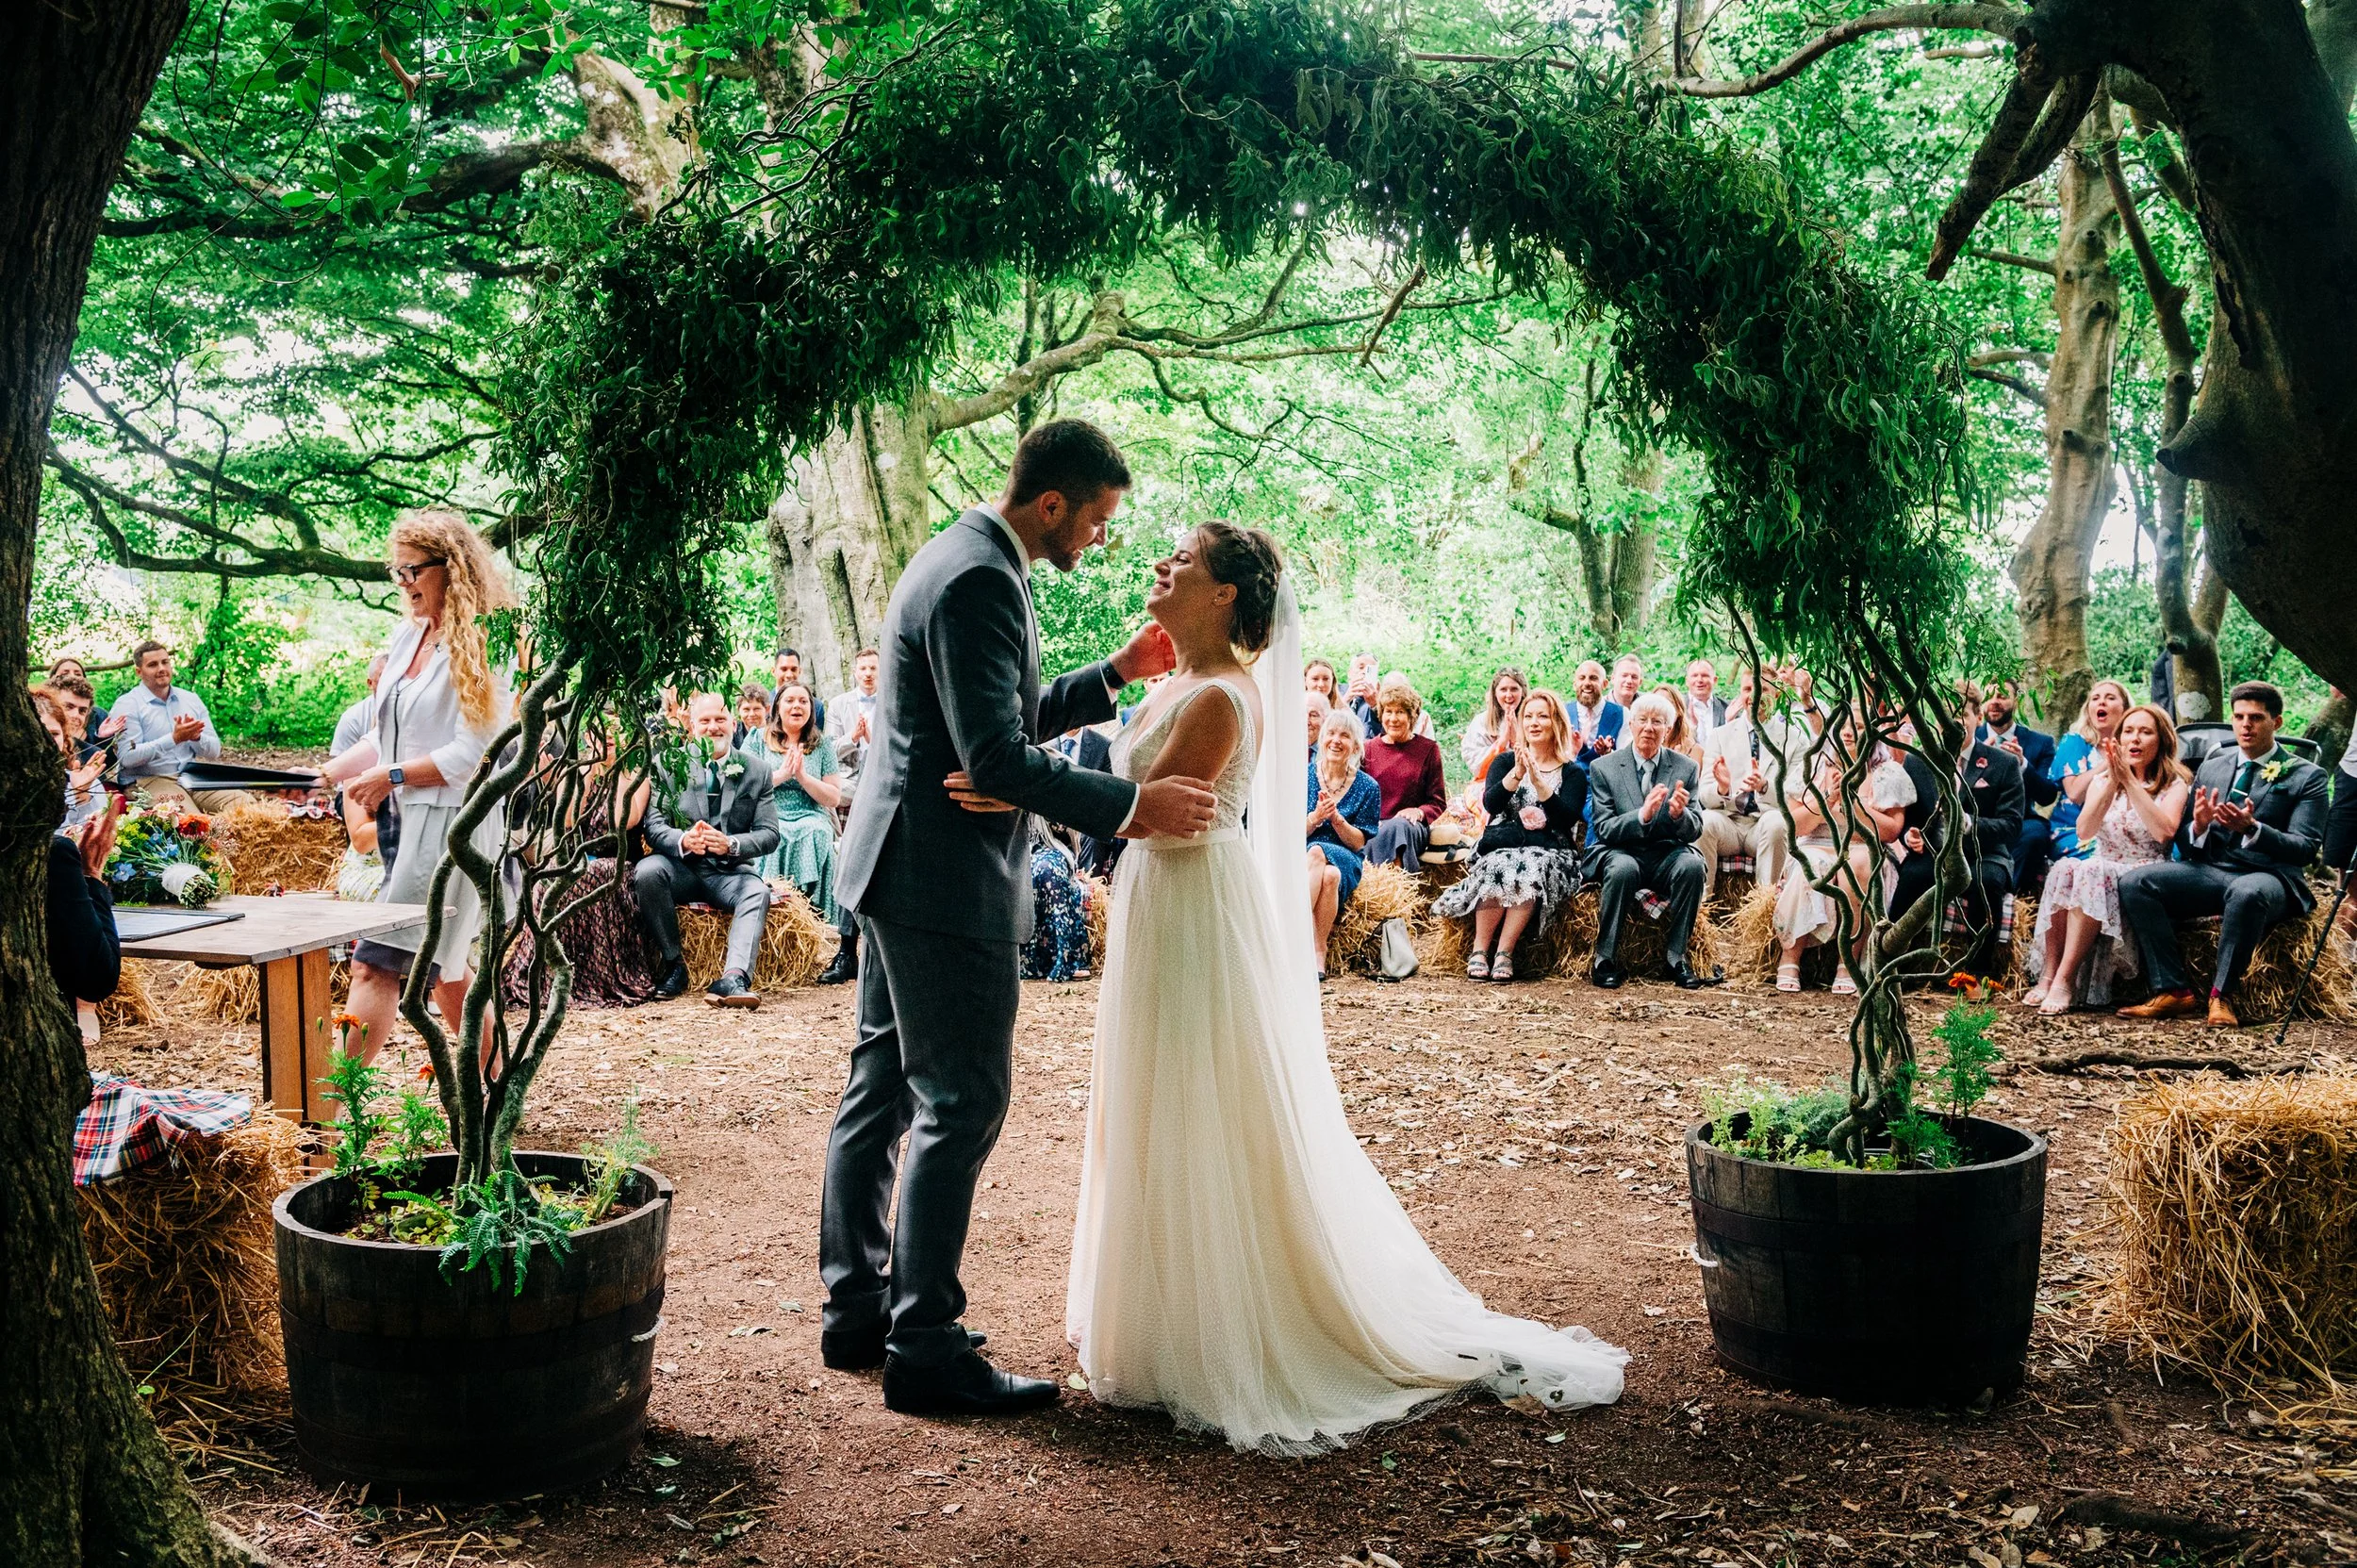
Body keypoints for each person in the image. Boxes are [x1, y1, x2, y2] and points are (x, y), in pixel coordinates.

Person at [1064, 520, 1625, 1453]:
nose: (1161, 571)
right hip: (1166, 895)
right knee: (1156, 1088)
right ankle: (1162, 1314)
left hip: (1191, 896)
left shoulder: (1215, 697)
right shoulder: (1177, 679)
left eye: (1181, 564)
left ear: (1222, 597)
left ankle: (1217, 1324)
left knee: (1195, 1091)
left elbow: (1150, 816)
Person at [818, 418, 1213, 1418]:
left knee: (881, 1093)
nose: (1099, 539)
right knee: (961, 1102)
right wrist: (1134, 808)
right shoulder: (983, 578)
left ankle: (860, 1307)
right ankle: (925, 1345)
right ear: (1052, 504)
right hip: (941, 883)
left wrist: (1114, 674)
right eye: (1097, 520)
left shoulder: (957, 553)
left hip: (896, 864)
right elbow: (991, 758)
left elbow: (990, 717)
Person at [320, 509, 517, 1066]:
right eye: (397, 572)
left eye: (412, 572)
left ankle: (331, 1111)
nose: (403, 585)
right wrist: (329, 774)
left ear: (449, 567)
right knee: (448, 973)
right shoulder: (407, 637)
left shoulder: (486, 640)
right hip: (403, 823)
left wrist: (393, 776)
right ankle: (497, 1096)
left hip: (456, 825)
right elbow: (387, 735)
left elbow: (476, 751)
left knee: (374, 963)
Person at [2118, 681, 2330, 1028]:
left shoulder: (2307, 776)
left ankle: (2221, 997)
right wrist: (2198, 827)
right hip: (2214, 870)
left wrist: (2253, 830)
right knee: (2136, 882)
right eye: (2239, 717)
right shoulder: (2213, 766)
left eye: (2256, 718)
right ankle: (2172, 990)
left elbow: (2304, 849)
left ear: (2276, 722)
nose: (2246, 725)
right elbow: (2186, 846)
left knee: (2245, 893)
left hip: (2271, 877)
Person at [2023, 704, 2189, 1014]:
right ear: (2119, 740)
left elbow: (2163, 833)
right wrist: (2113, 781)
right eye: (2128, 732)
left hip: (2144, 871)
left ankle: (2065, 980)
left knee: (2091, 871)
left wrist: (2129, 782)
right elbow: (2085, 830)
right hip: (2102, 863)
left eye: (2145, 732)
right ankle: (2048, 974)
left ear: (2162, 740)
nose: (2135, 739)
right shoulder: (2103, 780)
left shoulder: (2174, 784)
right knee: (2064, 867)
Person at [635, 692, 781, 1009]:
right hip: (681, 869)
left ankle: (734, 978)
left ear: (732, 723)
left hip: (730, 873)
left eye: (720, 719)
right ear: (692, 726)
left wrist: (733, 844)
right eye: (705, 720)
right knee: (647, 872)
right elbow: (654, 825)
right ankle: (674, 965)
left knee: (758, 892)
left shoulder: (756, 770)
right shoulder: (668, 765)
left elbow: (770, 834)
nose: (713, 727)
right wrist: (683, 840)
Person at [500, 726, 658, 1010]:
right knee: (547, 879)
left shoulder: (636, 773)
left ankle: (595, 977)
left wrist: (616, 768)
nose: (609, 736)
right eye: (602, 731)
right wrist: (581, 776)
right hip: (581, 857)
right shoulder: (579, 771)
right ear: (589, 737)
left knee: (593, 875)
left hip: (618, 861)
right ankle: (552, 974)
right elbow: (570, 820)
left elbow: (626, 820)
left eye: (618, 731)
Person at [1438, 687, 1586, 982]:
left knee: (1529, 866)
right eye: (1528, 716)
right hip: (1505, 843)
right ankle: (1480, 950)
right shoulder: (1505, 762)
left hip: (1551, 850)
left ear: (1556, 722)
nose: (1533, 722)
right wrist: (1518, 773)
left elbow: (1566, 818)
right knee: (1498, 864)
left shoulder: (1573, 773)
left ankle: (1505, 952)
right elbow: (1491, 804)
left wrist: (1539, 783)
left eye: (1542, 716)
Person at [1889, 685, 2026, 982]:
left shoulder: (2003, 764)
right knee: (1911, 876)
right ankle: (1892, 968)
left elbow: (2012, 825)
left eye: (1962, 714)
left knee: (1986, 882)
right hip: (1933, 853)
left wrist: (1967, 825)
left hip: (1985, 855)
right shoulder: (1918, 760)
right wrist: (1910, 837)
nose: (1954, 722)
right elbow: (1911, 820)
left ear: (1977, 716)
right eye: (1947, 715)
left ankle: (1975, 975)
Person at [1772, 718, 1912, 995]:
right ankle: (1790, 956)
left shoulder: (1888, 772)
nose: (1847, 732)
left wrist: (1854, 806)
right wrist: (1828, 800)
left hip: (1865, 845)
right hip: (1816, 842)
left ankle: (1848, 962)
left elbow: (1892, 831)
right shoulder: (1813, 766)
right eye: (1842, 726)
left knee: (1857, 866)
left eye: (1858, 726)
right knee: (1808, 866)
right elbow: (1795, 826)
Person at [1584, 692, 1714, 989]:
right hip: (1621, 850)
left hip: (1666, 852)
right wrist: (1641, 815)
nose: (1649, 728)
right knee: (1622, 870)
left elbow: (1695, 829)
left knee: (1693, 866)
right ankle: (1604, 959)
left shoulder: (1685, 767)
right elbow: (1604, 828)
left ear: (1667, 729)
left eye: (1657, 722)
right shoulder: (1604, 768)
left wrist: (1680, 815)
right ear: (1631, 724)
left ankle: (1675, 958)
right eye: (1642, 720)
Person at [1695, 662, 1815, 900]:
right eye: (1748, 689)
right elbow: (1704, 796)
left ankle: (1764, 904)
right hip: (1728, 822)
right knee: (1704, 821)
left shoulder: (1795, 739)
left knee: (1777, 822)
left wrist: (1764, 786)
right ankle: (1702, 908)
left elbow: (1794, 799)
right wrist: (1722, 788)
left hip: (1764, 825)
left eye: (1764, 690)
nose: (1755, 695)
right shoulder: (1720, 736)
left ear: (1777, 695)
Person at [39, 688, 122, 1006]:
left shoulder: (79, 781)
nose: (46, 744)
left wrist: (82, 795)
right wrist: (90, 874)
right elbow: (97, 977)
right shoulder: (54, 854)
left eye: (54, 734)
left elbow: (94, 824)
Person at [107, 640, 249, 811]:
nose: (161, 668)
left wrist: (196, 737)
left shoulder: (191, 700)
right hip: (148, 781)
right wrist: (173, 739)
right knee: (193, 824)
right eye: (152, 665)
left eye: (165, 662)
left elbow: (214, 751)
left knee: (245, 807)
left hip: (191, 777)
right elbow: (127, 758)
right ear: (139, 672)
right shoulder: (128, 704)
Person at [747, 682, 844, 924]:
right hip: (769, 812)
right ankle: (770, 909)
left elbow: (833, 797)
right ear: (777, 707)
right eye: (790, 701)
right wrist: (782, 775)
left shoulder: (822, 745)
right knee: (773, 834)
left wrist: (803, 776)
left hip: (810, 813)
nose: (797, 706)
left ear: (811, 709)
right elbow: (744, 786)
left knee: (816, 833)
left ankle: (812, 915)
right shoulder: (757, 739)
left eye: (803, 701)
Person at [1305, 705, 1381, 977]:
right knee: (1329, 875)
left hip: (1345, 853)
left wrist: (1337, 819)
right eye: (1332, 734)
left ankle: (1293, 931)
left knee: (1319, 853)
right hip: (1303, 851)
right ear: (1322, 738)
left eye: (1345, 736)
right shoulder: (1302, 777)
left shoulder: (1368, 786)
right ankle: (1318, 951)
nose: (1336, 741)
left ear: (1355, 746)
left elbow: (1359, 842)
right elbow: (1290, 832)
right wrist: (1315, 818)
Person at [1978, 681, 2061, 893]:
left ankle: (2009, 896)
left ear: (2017, 701)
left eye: (2003, 696)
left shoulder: (2040, 743)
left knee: (2035, 835)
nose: (1994, 702)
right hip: (1976, 819)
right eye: (1989, 697)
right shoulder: (1970, 737)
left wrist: (2023, 765)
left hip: (2020, 820)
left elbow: (2047, 796)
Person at [1361, 677, 1448, 870]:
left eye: (1400, 712)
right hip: (1376, 825)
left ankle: (1398, 890)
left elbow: (1438, 801)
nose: (1393, 719)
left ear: (1412, 717)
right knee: (1375, 832)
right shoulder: (1367, 749)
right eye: (1388, 711)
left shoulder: (1428, 749)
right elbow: (1359, 796)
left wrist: (1419, 811)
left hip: (1411, 826)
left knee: (1398, 827)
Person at [2050, 679, 2131, 859]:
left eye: (2110, 698)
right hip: (2075, 830)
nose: (2101, 702)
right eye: (2095, 698)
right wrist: (2109, 763)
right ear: (2088, 710)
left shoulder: (2134, 745)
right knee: (2111, 853)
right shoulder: (2074, 742)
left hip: (2124, 827)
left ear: (2125, 710)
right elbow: (2075, 794)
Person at [1023, 819, 1095, 982]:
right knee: (1027, 871)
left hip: (1055, 847)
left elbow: (1064, 828)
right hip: (1020, 845)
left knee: (1047, 870)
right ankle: (1030, 958)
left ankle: (1067, 956)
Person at [41, 680, 110, 829]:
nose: (75, 716)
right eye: (68, 706)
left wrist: (83, 796)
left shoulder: (92, 756)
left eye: (82, 711)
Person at [826, 648, 882, 806]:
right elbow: (830, 751)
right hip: (849, 779)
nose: (868, 673)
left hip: (881, 774)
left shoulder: (891, 704)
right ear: (855, 672)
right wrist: (853, 737)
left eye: (873, 668)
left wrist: (871, 739)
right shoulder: (837, 704)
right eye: (863, 668)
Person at [1459, 667, 1528, 775]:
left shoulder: (1532, 720)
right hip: (1490, 782)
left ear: (1523, 692)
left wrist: (1516, 740)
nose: (1509, 695)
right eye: (1503, 689)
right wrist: (1503, 741)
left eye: (1514, 689)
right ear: (1495, 693)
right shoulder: (1481, 721)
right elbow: (1476, 765)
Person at [330, 653, 391, 760]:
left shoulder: (415, 713)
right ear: (370, 683)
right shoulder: (352, 719)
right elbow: (340, 768)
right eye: (384, 679)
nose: (391, 684)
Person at [1567, 659, 1622, 767]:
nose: (1587, 683)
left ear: (1605, 684)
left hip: (1606, 780)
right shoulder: (1562, 712)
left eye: (1593, 678)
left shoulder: (1622, 714)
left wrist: (1608, 753)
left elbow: (1627, 759)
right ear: (1574, 684)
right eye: (1582, 678)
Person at [1682, 659, 1724, 738]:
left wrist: (1730, 720)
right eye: (1694, 675)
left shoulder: (1726, 708)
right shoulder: (1677, 706)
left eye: (1705, 675)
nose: (1699, 680)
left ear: (1715, 680)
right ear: (1687, 681)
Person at [733, 684, 772, 751]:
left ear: (767, 709)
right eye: (746, 709)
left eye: (756, 709)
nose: (752, 714)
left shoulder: (776, 731)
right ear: (738, 710)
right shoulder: (734, 733)